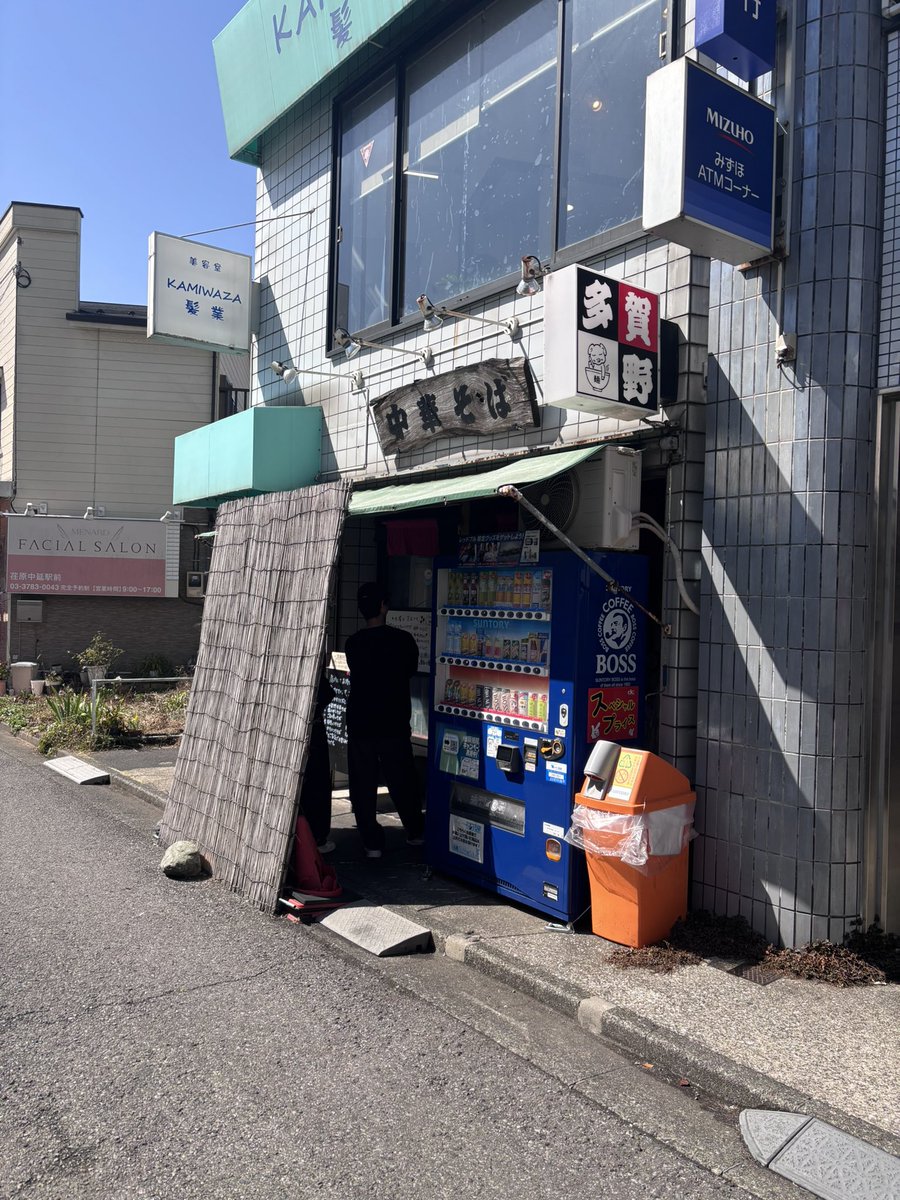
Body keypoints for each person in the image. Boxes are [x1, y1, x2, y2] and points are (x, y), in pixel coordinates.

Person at [345, 582, 424, 858]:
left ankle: (372, 843)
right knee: (402, 778)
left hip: (360, 722)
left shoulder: (353, 643)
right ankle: (415, 831)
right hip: (393, 721)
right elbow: (411, 670)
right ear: (383, 606)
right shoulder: (402, 641)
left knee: (362, 784)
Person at [296, 667, 335, 852]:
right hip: (313, 731)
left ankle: (298, 836)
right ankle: (317, 837)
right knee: (316, 783)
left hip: (285, 728)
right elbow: (327, 693)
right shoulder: (307, 666)